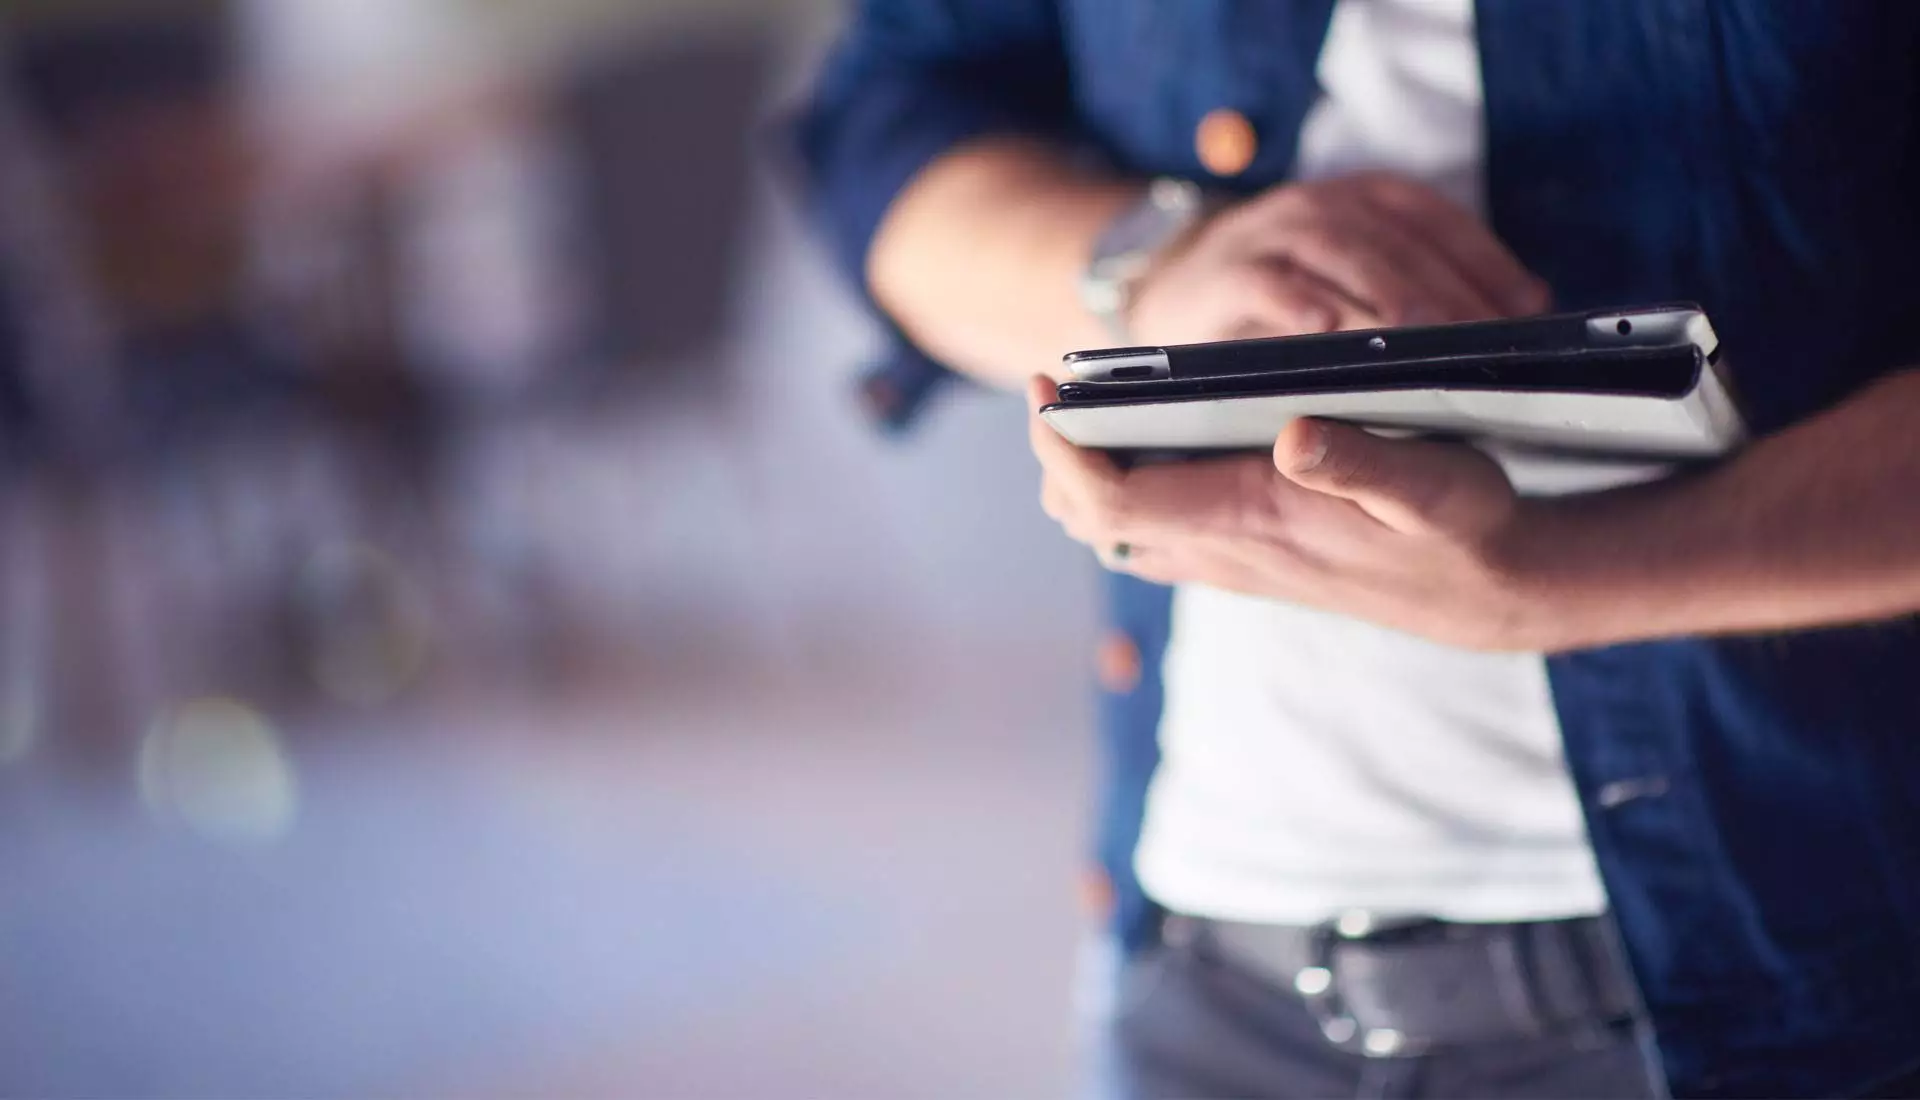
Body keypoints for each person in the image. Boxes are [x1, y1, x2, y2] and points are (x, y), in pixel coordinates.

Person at [791, 1, 1920, 1097]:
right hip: (1198, 972)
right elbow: (886, 124)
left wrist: (1577, 577)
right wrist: (1152, 270)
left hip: (1796, 989)